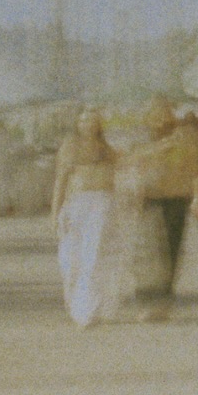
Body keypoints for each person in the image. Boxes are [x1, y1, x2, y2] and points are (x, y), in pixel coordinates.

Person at [132, 97, 198, 319]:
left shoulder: (185, 137)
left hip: (177, 199)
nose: (160, 119)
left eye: (164, 114)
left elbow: (196, 169)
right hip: (149, 200)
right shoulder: (142, 140)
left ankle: (163, 300)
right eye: (155, 114)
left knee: (172, 250)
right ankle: (147, 300)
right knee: (148, 251)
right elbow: (132, 163)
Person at [53, 109, 125, 326]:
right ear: (78, 123)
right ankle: (77, 305)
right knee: (71, 259)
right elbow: (60, 181)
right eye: (84, 120)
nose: (89, 125)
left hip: (101, 204)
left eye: (93, 121)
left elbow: (124, 164)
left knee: (93, 256)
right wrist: (55, 213)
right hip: (76, 205)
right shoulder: (70, 147)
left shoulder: (105, 148)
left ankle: (87, 310)